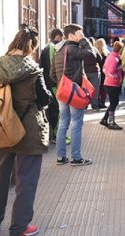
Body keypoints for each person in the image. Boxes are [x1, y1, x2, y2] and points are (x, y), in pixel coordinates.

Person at [0, 25, 52, 236]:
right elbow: (44, 99)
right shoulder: (33, 70)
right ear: (31, 47)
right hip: (28, 131)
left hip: (1, 127)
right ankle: (18, 228)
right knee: (26, 180)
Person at [50, 23, 97, 166]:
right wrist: (86, 41)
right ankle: (76, 158)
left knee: (63, 123)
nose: (82, 35)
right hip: (74, 91)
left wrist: (61, 83)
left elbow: (52, 74)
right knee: (76, 123)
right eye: (79, 33)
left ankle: (61, 157)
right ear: (71, 35)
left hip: (62, 91)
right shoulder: (74, 48)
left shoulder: (59, 50)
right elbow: (93, 55)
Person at [39, 27, 63, 143]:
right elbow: (52, 69)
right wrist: (57, 82)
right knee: (56, 110)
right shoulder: (52, 48)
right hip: (52, 85)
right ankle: (54, 135)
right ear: (58, 36)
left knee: (53, 110)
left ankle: (53, 134)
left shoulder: (47, 47)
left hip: (49, 83)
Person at [100, 41, 124, 130]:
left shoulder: (110, 56)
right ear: (120, 50)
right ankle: (111, 121)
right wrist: (116, 78)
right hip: (113, 85)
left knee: (113, 103)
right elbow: (111, 71)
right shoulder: (115, 59)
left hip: (107, 83)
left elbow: (104, 69)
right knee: (114, 103)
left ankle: (105, 119)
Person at [83, 37, 102, 111]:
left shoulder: (82, 50)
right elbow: (100, 58)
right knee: (95, 89)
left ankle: (85, 105)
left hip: (85, 71)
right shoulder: (94, 49)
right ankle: (95, 105)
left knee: (85, 89)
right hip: (94, 71)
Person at [94, 38, 109, 109]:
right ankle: (102, 102)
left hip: (97, 72)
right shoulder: (106, 54)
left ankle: (97, 102)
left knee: (97, 88)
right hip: (105, 73)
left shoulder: (95, 53)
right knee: (103, 89)